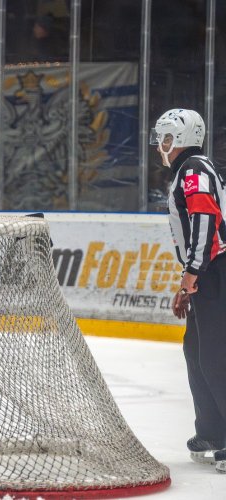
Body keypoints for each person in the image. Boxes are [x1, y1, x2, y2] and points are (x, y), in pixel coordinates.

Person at [152, 108, 226, 470]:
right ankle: (213, 430)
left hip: (216, 271)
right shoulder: (189, 170)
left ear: (178, 140)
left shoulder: (194, 170)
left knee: (216, 354)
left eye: (164, 139)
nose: (159, 146)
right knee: (196, 350)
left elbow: (206, 219)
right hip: (209, 272)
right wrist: (190, 277)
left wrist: (192, 274)